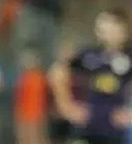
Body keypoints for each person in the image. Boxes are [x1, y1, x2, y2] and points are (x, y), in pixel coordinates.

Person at [50, 8, 132, 144]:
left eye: (114, 25)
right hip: (87, 126)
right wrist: (66, 107)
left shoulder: (128, 56)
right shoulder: (89, 54)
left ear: (124, 30)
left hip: (117, 130)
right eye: (104, 24)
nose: (109, 30)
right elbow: (58, 72)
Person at [15, 49, 49, 144]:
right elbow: (20, 98)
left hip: (37, 114)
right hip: (25, 114)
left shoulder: (40, 77)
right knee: (24, 138)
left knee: (36, 137)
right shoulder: (24, 78)